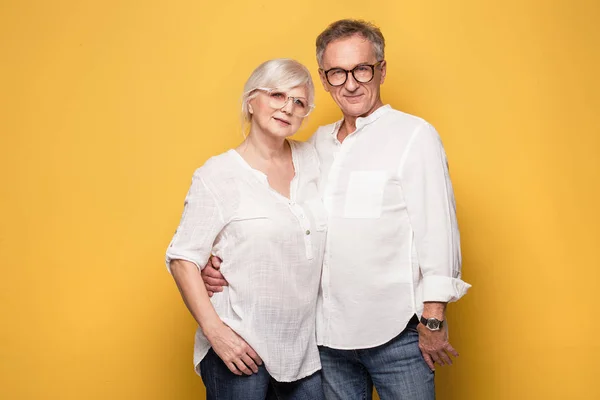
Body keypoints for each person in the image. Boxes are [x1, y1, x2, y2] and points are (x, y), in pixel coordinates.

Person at [202, 19, 472, 400]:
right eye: (337, 73)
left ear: (381, 69)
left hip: (395, 334)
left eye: (361, 69)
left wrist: (433, 317)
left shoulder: (414, 135)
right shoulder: (314, 146)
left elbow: (439, 232)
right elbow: (283, 217)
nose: (350, 83)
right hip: (325, 340)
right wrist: (221, 260)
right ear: (324, 79)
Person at [165, 58, 327, 400]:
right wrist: (216, 333)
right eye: (277, 95)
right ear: (251, 100)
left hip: (304, 352)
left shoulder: (314, 160)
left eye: (299, 102)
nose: (287, 108)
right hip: (240, 348)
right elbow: (183, 259)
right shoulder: (218, 175)